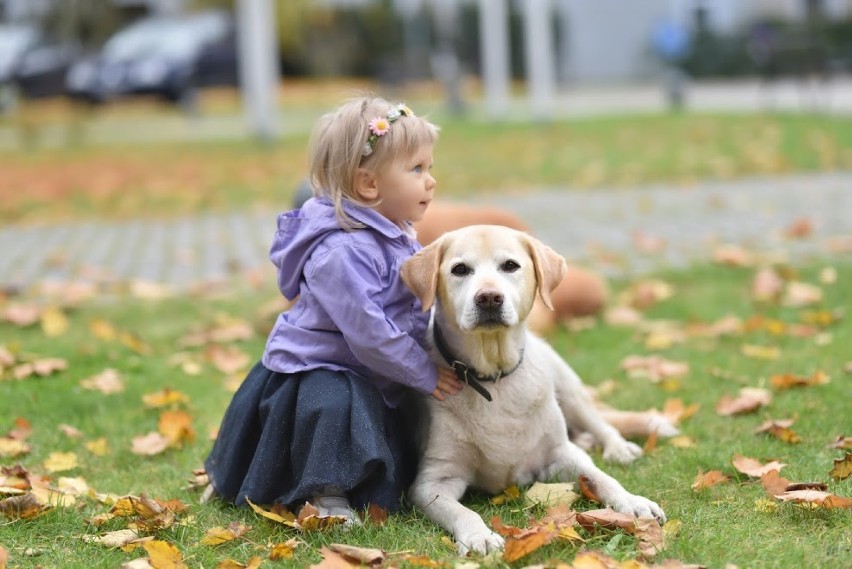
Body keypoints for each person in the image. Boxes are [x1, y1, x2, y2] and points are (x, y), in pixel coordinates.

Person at [203, 96, 462, 524]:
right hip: (323, 369)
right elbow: (369, 333)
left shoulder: (393, 231)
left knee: (380, 411)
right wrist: (423, 371)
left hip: (368, 365)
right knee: (336, 410)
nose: (430, 181)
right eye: (417, 169)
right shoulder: (342, 252)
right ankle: (326, 495)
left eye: (429, 168)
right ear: (368, 185)